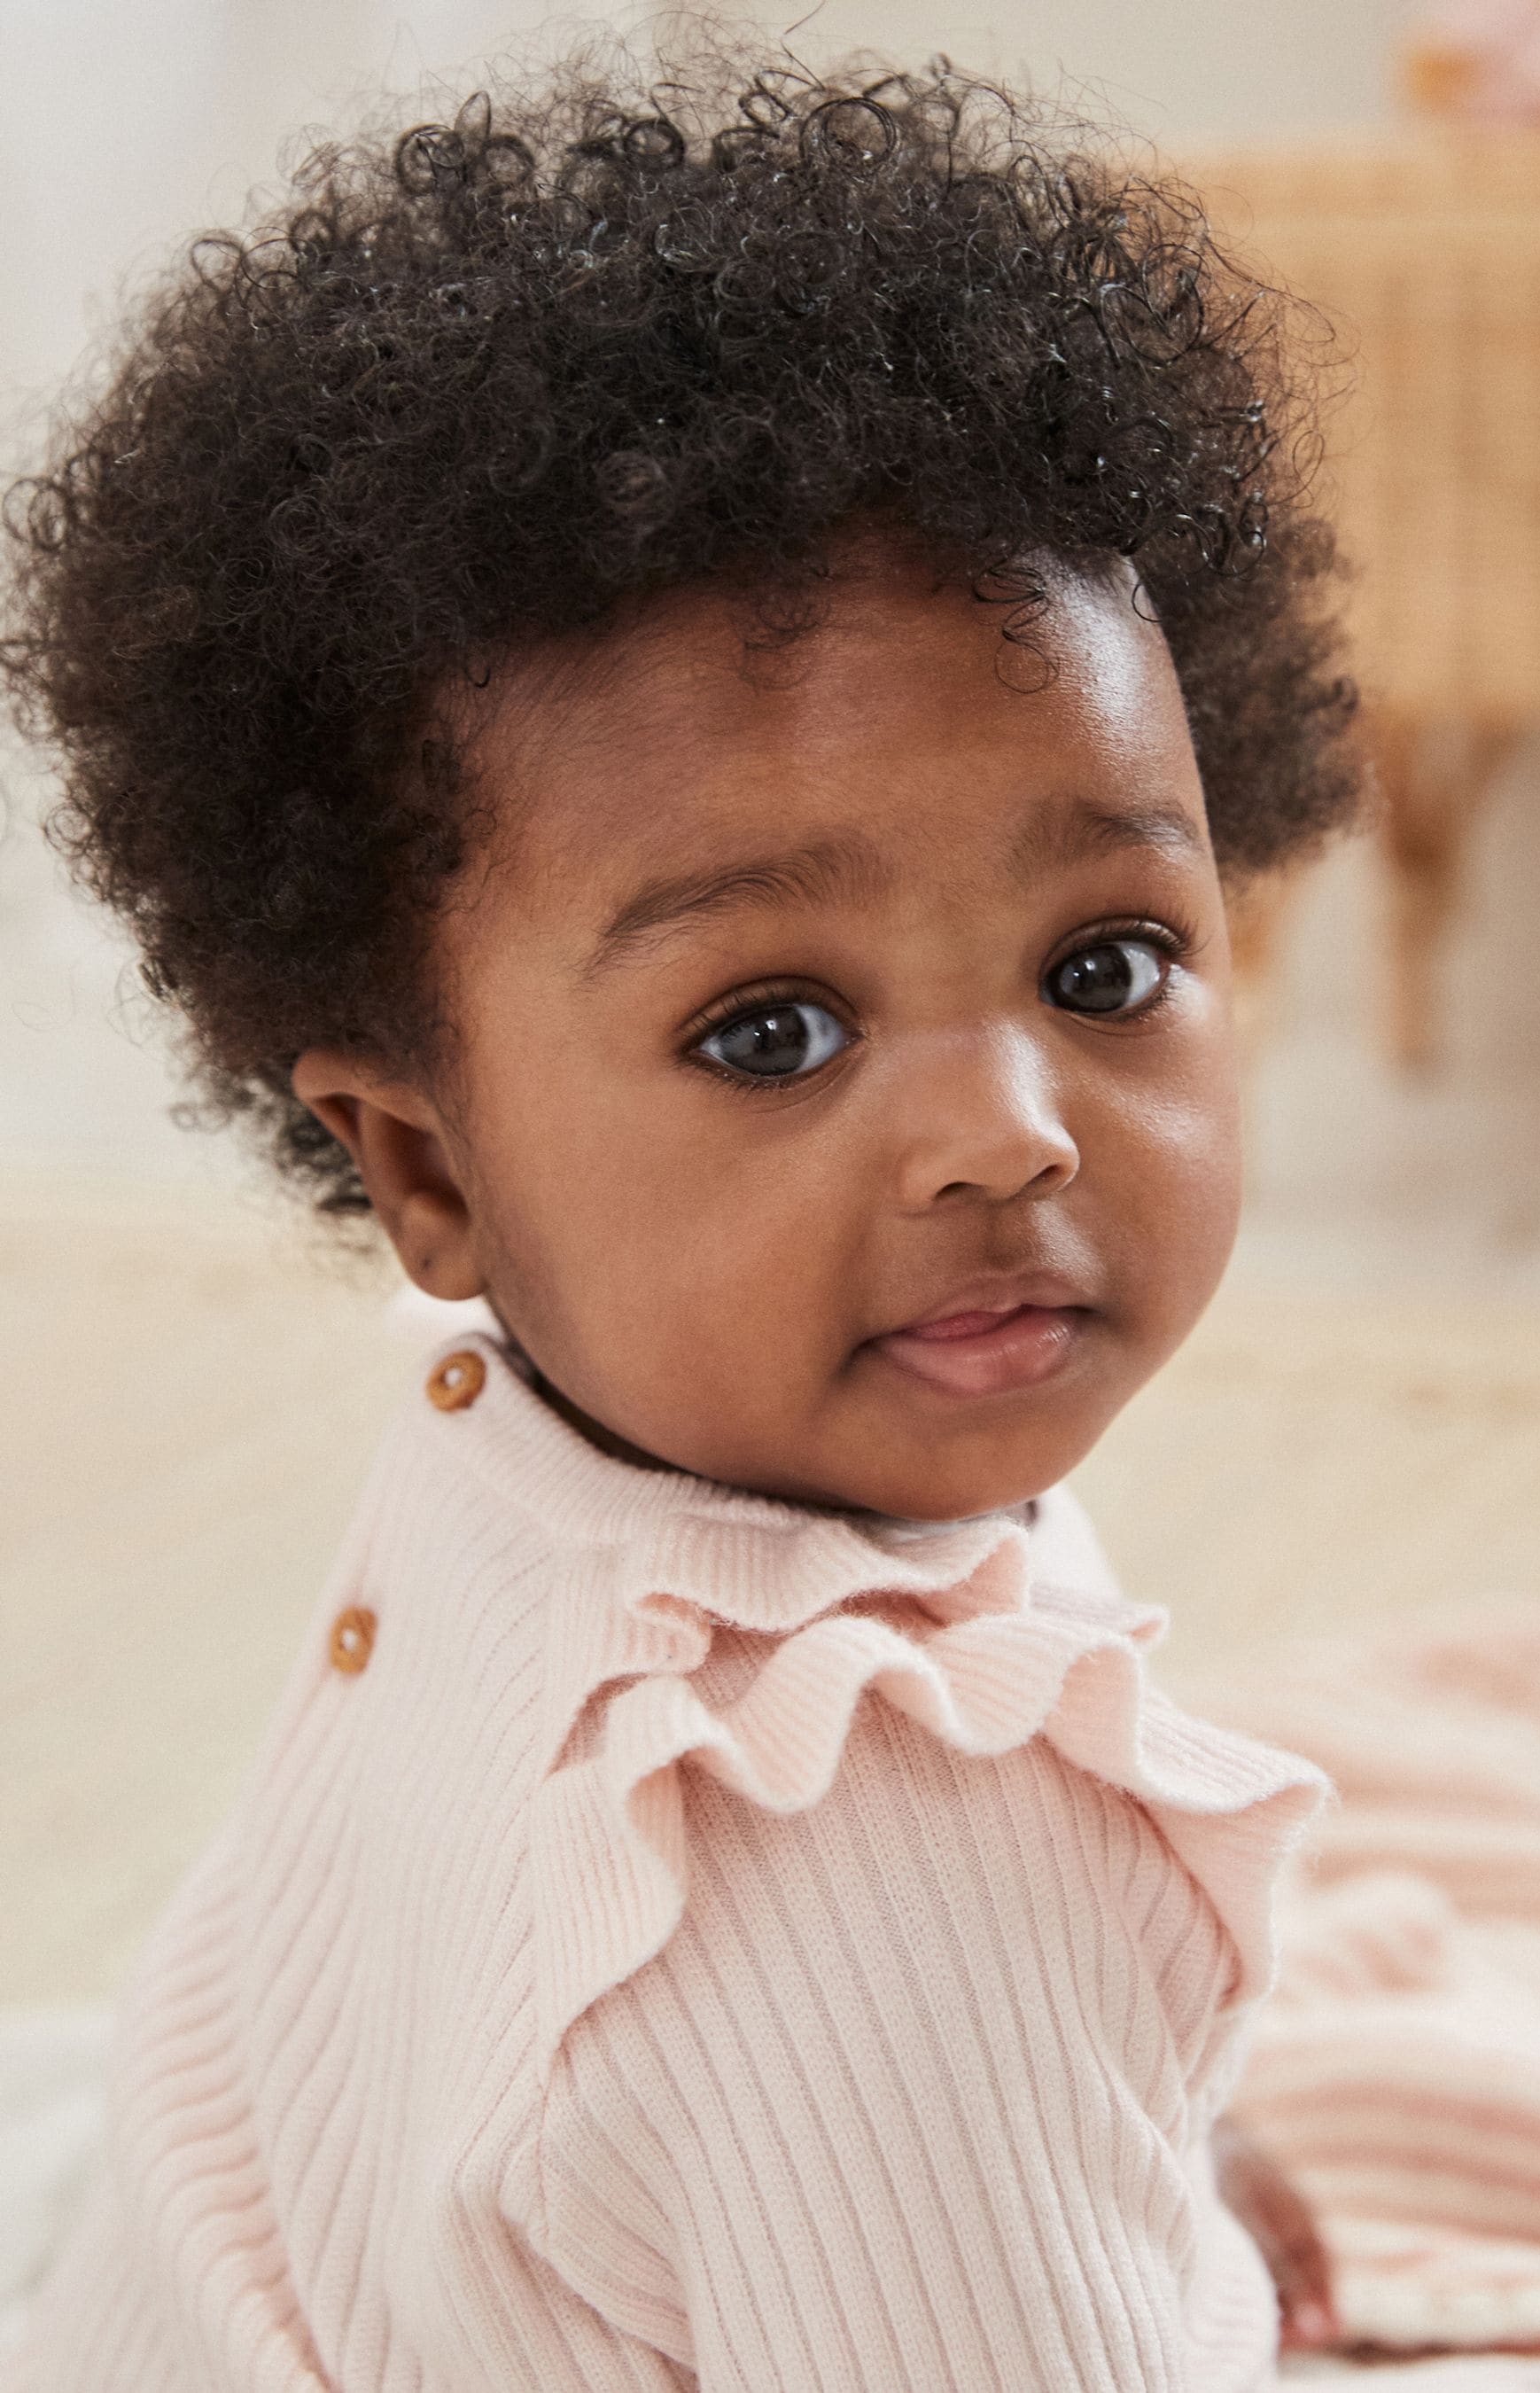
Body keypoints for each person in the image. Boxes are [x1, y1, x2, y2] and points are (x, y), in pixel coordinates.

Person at [0, 40, 1362, 2389]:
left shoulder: (523, 1481)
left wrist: (1130, 2165)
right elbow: (881, 2038)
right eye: (772, 1031)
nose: (1003, 1135)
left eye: (1104, 963)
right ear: (424, 1162)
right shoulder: (902, 1872)